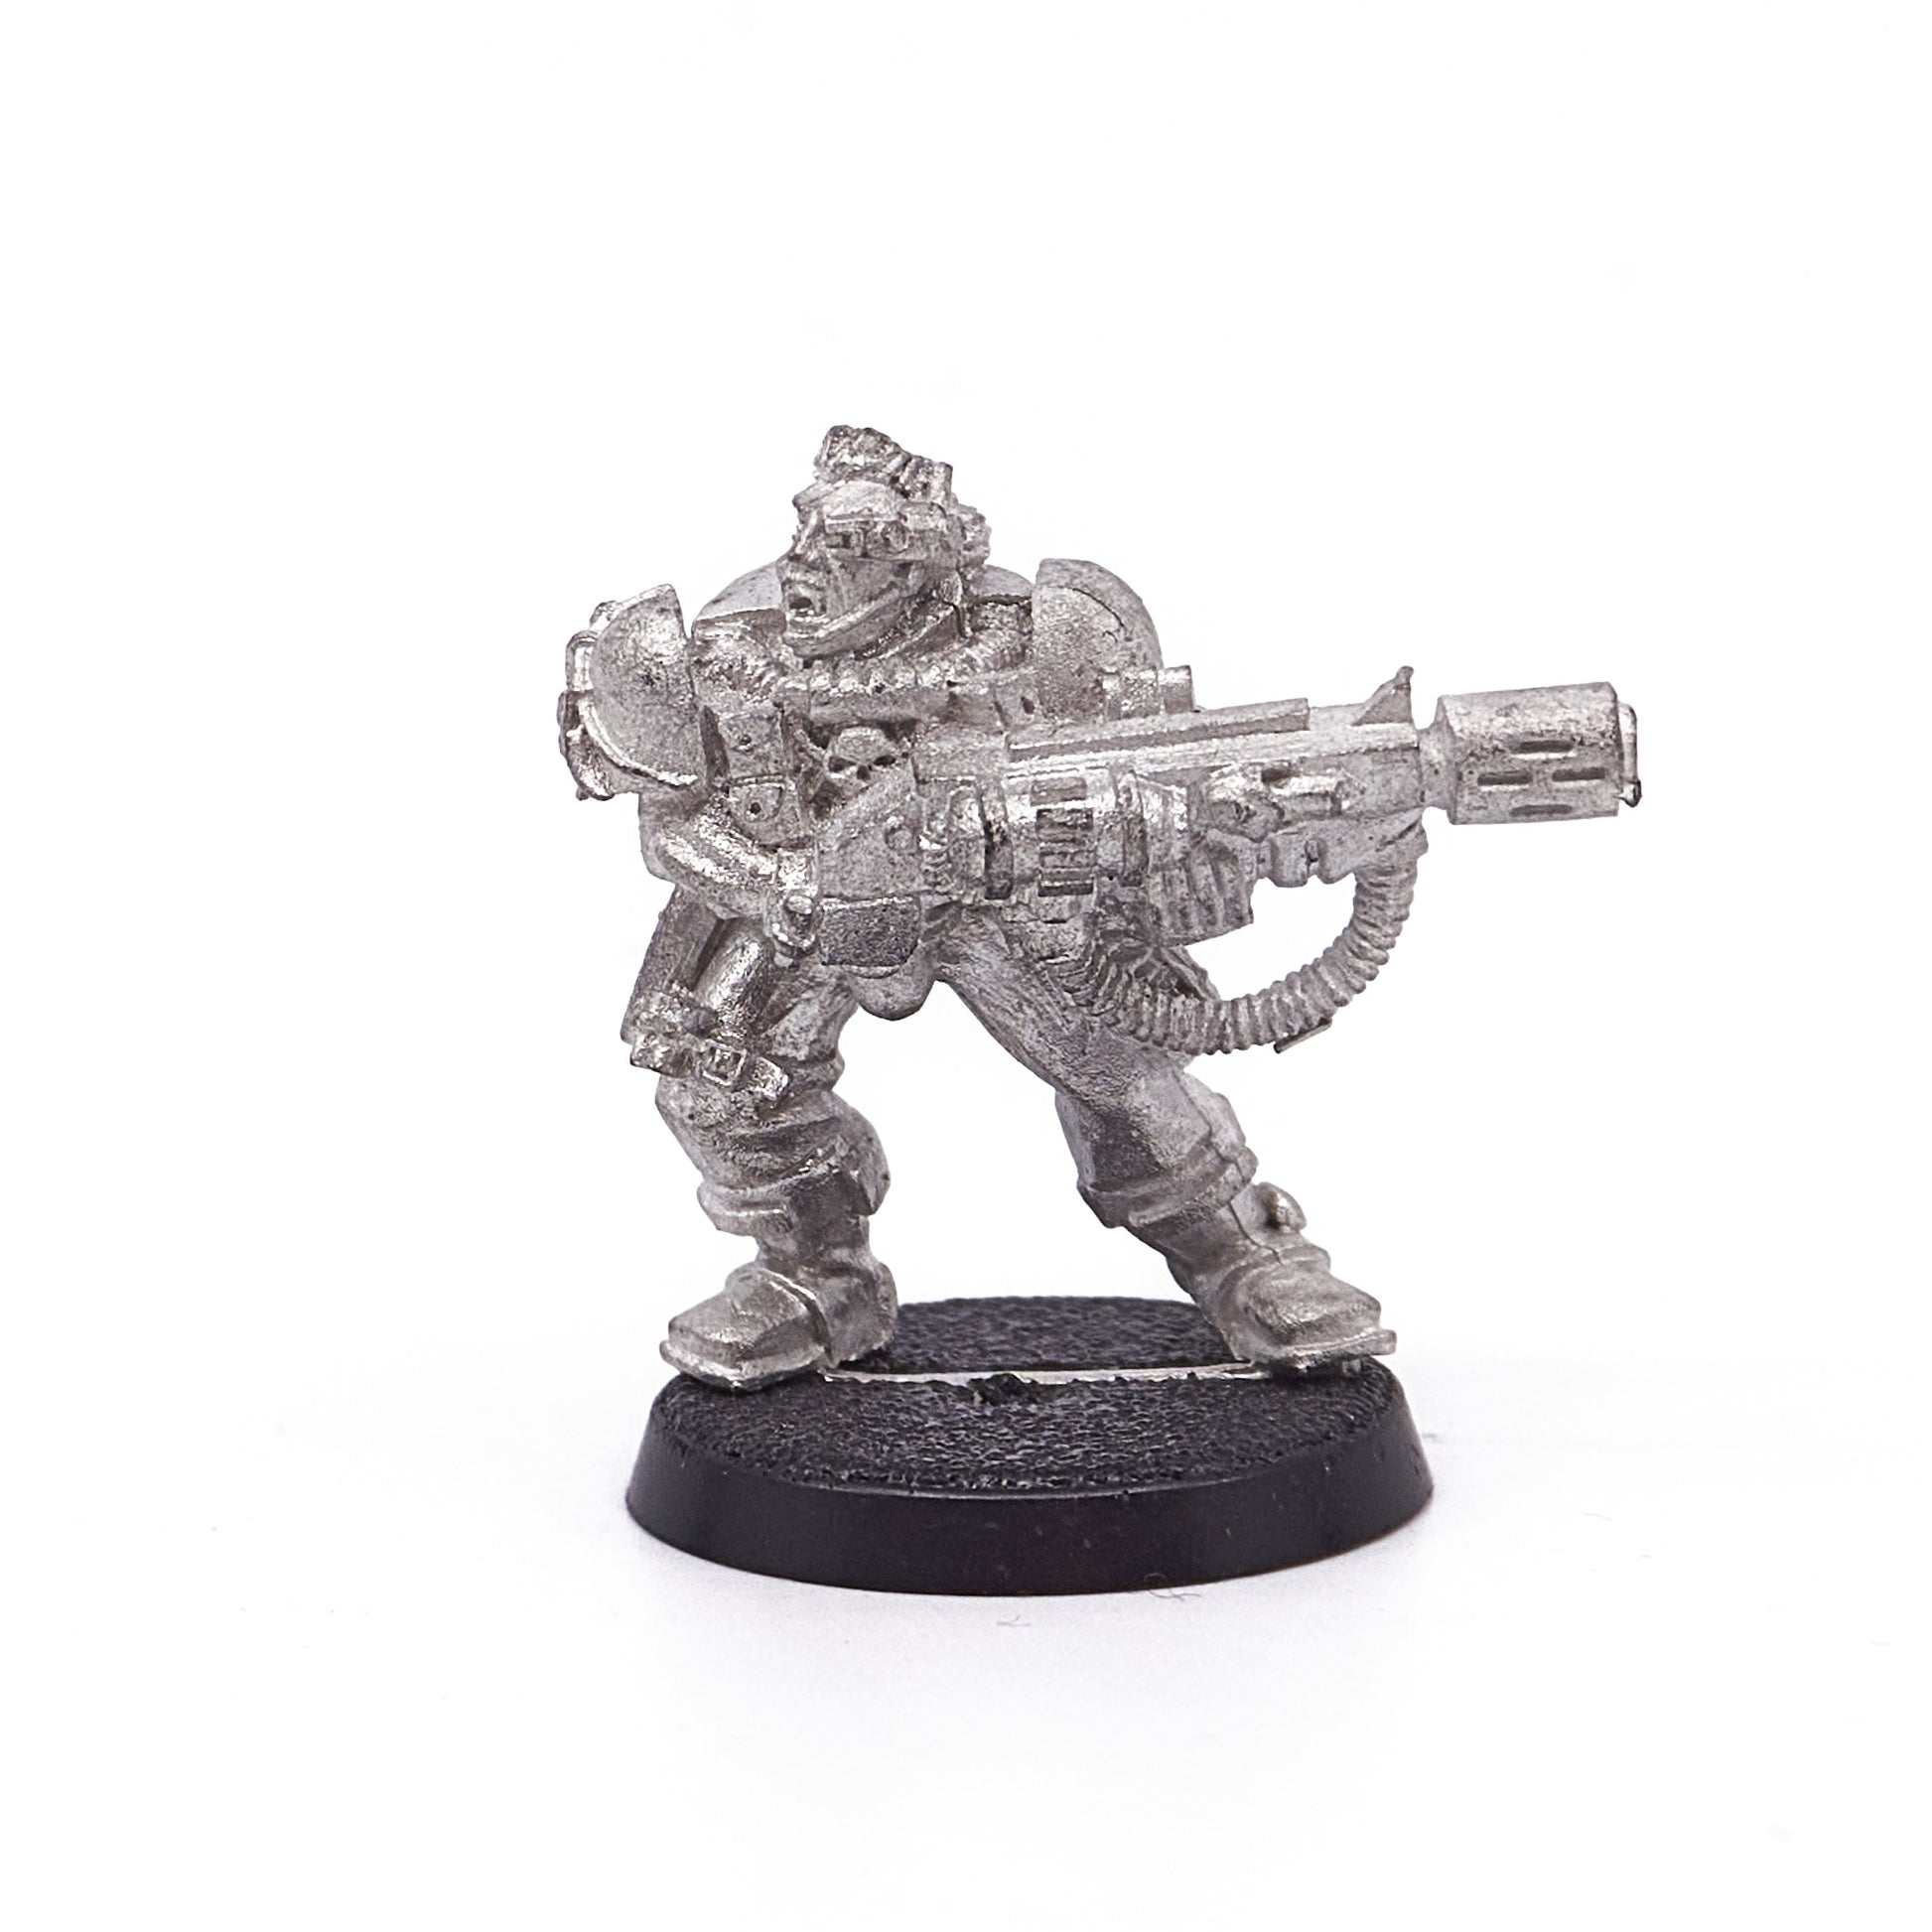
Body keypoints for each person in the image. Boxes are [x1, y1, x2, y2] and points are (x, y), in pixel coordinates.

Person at [560, 427, 1392, 1389]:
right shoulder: (721, 649)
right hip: (798, 896)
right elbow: (672, 827)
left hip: (999, 899)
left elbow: (1128, 777)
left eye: (849, 544)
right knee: (720, 1082)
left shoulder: (1041, 636)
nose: (807, 565)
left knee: (1117, 1070)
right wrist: (775, 886)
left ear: (920, 558)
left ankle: (1239, 1255)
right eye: (807, 533)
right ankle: (812, 1275)